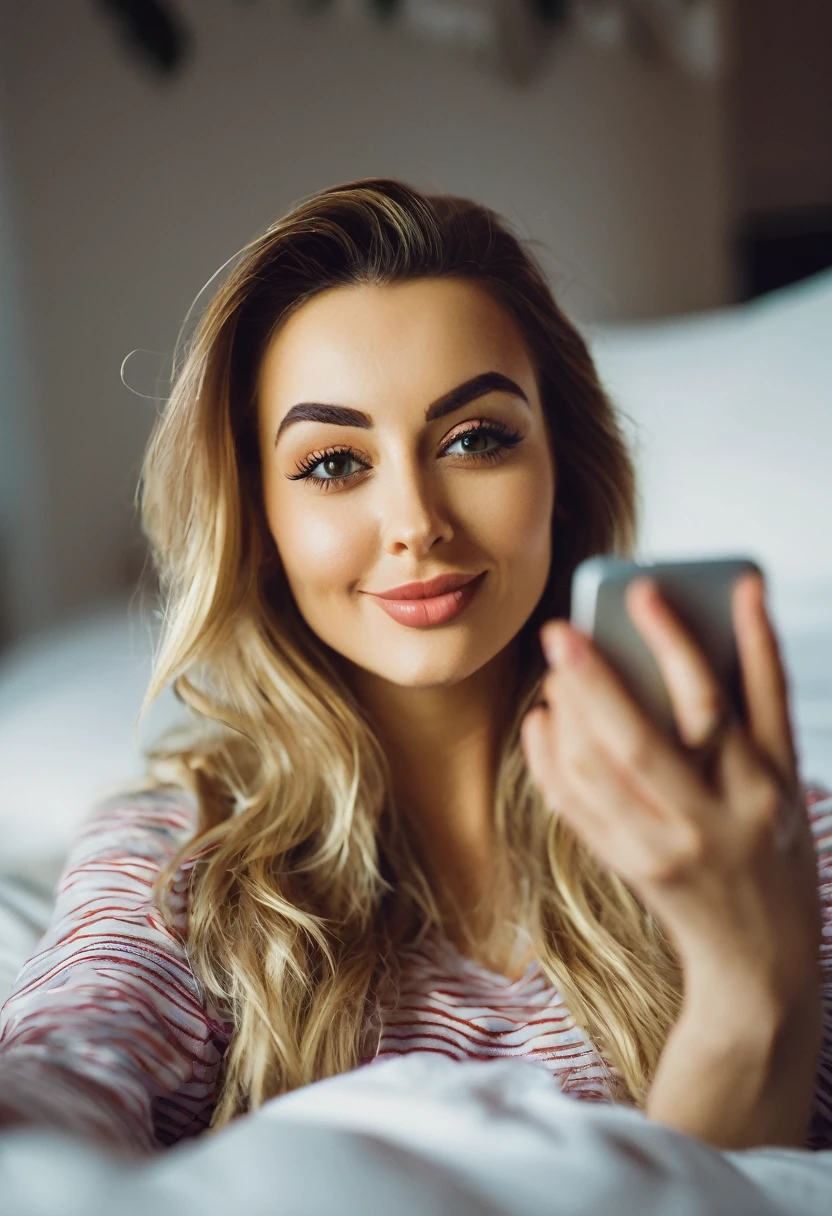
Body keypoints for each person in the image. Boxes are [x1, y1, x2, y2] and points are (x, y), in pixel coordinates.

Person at [0, 177, 830, 1159]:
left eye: (475, 439)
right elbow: (65, 1063)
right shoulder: (180, 856)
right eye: (334, 463)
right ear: (258, 519)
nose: (416, 523)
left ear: (560, 474)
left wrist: (754, 971)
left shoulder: (765, 836)